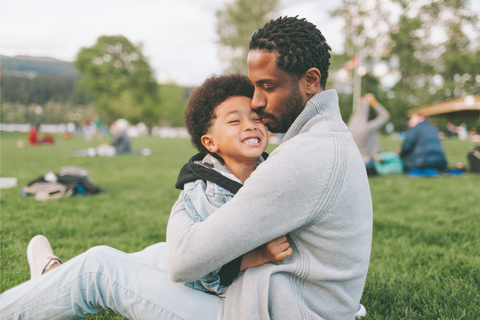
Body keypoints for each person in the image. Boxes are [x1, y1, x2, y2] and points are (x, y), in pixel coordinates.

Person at [0, 16, 372, 320]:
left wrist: (194, 183)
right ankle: (51, 278)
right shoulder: (328, 139)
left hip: (273, 309)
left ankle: (48, 283)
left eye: (267, 86)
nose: (257, 102)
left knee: (101, 268)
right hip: (296, 299)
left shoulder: (307, 156)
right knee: (154, 254)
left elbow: (183, 263)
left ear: (310, 80)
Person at [177, 73, 292, 295]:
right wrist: (259, 256)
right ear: (210, 142)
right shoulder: (204, 192)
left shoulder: (277, 169)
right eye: (235, 120)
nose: (250, 125)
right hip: (227, 295)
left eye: (256, 118)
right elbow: (203, 269)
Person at [348, 93, 390, 175]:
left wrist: (361, 105)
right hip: (367, 164)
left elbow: (357, 115)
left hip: (353, 164)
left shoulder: (349, 126)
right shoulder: (368, 128)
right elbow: (385, 116)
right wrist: (373, 102)